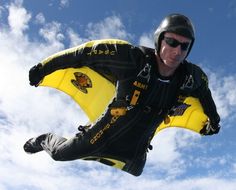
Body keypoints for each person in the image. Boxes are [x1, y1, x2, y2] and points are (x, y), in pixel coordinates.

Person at [23, 13, 220, 176]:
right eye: (171, 42)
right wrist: (43, 68)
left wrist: (214, 121)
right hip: (103, 134)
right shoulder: (131, 59)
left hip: (135, 147)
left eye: (184, 46)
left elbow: (205, 95)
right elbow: (83, 53)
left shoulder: (192, 77)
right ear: (160, 39)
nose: (177, 51)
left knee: (137, 171)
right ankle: (42, 139)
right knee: (59, 154)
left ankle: (116, 157)